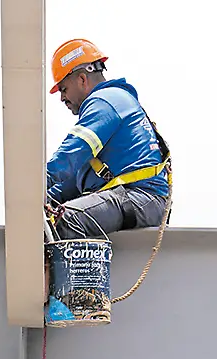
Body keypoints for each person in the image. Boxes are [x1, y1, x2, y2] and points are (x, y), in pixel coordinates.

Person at [44, 38, 171, 241]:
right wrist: (47, 197)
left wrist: (36, 182)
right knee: (51, 217)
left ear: (82, 79)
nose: (62, 98)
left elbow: (75, 149)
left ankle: (82, 274)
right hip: (135, 198)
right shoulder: (112, 104)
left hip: (141, 197)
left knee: (64, 220)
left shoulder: (105, 101)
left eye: (64, 89)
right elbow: (72, 178)